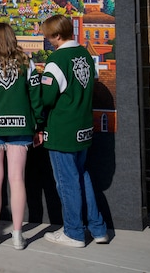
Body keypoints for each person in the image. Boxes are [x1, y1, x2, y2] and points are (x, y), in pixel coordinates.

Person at [37, 14, 109, 248]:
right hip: (84, 126)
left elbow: (47, 98)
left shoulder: (57, 60)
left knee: (67, 182)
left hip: (63, 129)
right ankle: (98, 228)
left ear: (57, 35)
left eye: (49, 36)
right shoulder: (86, 55)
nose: (47, 40)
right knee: (82, 177)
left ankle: (74, 232)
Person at [0, 22, 41, 249]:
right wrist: (38, 123)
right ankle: (18, 235)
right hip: (21, 127)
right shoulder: (26, 62)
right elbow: (35, 97)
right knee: (17, 179)